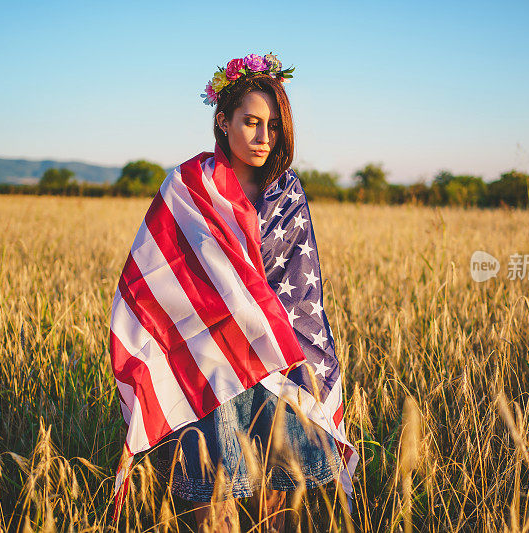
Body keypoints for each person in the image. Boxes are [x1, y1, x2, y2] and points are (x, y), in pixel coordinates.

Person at [109, 53, 354, 533]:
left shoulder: (286, 193)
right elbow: (155, 276)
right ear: (222, 121)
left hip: (277, 362)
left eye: (274, 126)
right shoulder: (187, 186)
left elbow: (300, 289)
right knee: (214, 496)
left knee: (281, 498)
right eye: (251, 122)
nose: (264, 137)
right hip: (211, 365)